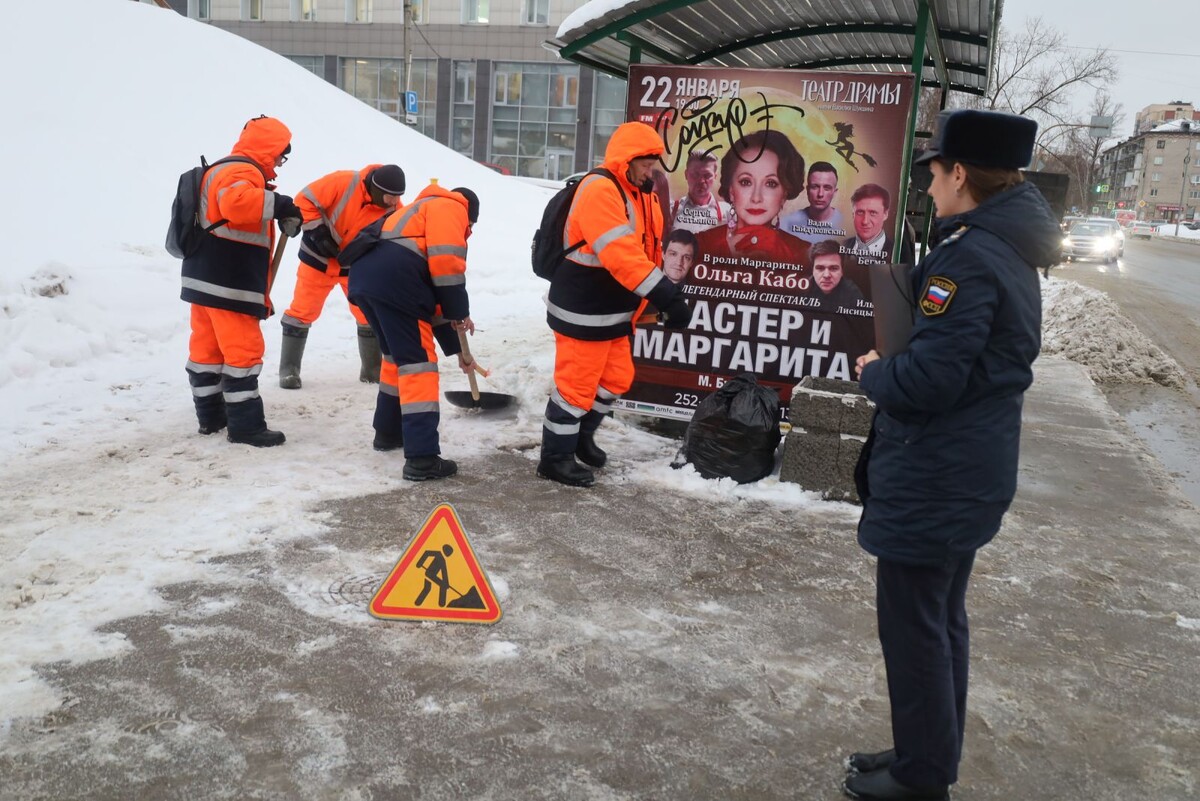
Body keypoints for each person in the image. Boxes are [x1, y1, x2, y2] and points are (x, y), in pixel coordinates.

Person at [845, 109, 1061, 801]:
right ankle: (923, 753)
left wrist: (875, 368)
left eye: (934, 173)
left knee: (917, 630)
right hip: (963, 470)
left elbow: (929, 381)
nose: (929, 188)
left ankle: (921, 776)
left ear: (961, 173)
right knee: (938, 622)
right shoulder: (999, 246)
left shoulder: (969, 257)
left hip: (940, 474)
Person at [540, 121, 691, 488]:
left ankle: (580, 439)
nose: (650, 170)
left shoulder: (643, 194)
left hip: (614, 311)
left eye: (654, 164)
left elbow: (649, 253)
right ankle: (555, 458)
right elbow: (621, 255)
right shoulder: (600, 190)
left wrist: (655, 304)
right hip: (582, 309)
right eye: (645, 163)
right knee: (576, 387)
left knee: (615, 379)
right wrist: (667, 294)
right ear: (627, 160)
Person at [345, 183, 480, 481]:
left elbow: (432, 294)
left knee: (397, 359)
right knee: (419, 366)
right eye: (470, 226)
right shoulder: (451, 207)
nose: (467, 230)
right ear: (470, 214)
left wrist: (458, 349)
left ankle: (388, 433)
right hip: (396, 283)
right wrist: (459, 311)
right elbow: (446, 266)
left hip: (367, 280)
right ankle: (422, 458)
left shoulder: (417, 211)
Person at [181, 115, 302, 448]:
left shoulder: (219, 168)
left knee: (206, 351)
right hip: (228, 281)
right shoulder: (244, 171)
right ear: (269, 148)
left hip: (204, 279)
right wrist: (281, 205)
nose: (280, 161)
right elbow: (235, 204)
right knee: (242, 352)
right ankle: (246, 426)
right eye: (280, 153)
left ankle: (211, 418)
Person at [278, 164, 406, 389]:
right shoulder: (344, 182)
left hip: (355, 266)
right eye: (389, 197)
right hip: (317, 260)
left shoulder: (394, 209)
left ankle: (372, 371)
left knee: (368, 313)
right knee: (302, 310)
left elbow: (396, 237)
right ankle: (288, 371)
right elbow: (303, 200)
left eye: (397, 198)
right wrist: (317, 231)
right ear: (375, 189)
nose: (393, 202)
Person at [694, 130, 810, 265]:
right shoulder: (699, 245)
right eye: (745, 182)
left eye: (771, 183)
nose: (756, 198)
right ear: (731, 190)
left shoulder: (804, 253)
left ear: (784, 194)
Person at [779, 161, 847, 243]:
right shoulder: (786, 224)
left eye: (827, 188)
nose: (820, 194)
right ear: (807, 190)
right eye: (815, 187)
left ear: (834, 192)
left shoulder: (846, 225)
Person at [669, 149, 732, 233]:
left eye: (707, 175)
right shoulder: (671, 210)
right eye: (695, 174)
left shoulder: (727, 212)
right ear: (686, 175)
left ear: (715, 177)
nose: (701, 180)